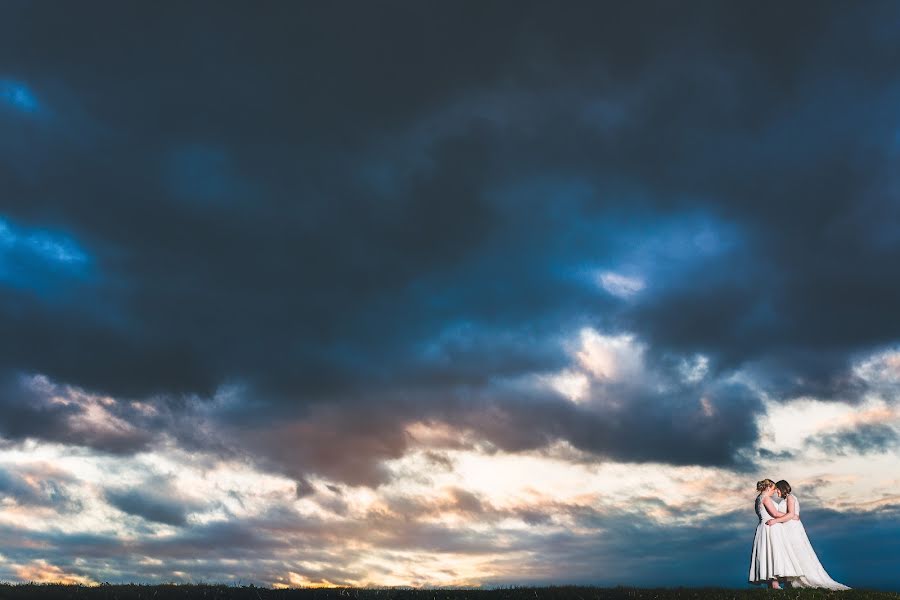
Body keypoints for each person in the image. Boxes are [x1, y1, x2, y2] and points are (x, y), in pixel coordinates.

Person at [769, 480, 850, 590]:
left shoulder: (790, 498)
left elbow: (792, 514)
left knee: (797, 552)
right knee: (790, 553)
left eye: (777, 490)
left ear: (782, 488)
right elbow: (792, 515)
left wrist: (776, 521)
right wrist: (790, 516)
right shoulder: (786, 499)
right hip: (788, 527)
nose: (776, 492)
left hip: (792, 528)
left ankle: (803, 578)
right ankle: (792, 580)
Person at [749, 478, 802, 588]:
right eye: (773, 489)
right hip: (770, 528)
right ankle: (774, 583)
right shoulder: (766, 498)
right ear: (768, 487)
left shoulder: (758, 498)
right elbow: (775, 513)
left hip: (764, 526)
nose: (774, 491)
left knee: (768, 553)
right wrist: (791, 515)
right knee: (774, 553)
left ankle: (773, 583)